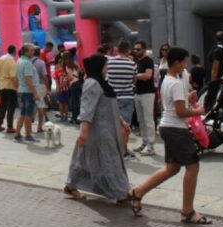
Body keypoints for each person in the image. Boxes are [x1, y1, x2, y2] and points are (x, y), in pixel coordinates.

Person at [129, 46, 211, 225]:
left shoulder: (168, 80)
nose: (185, 65)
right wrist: (199, 110)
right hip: (176, 129)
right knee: (193, 166)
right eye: (183, 62)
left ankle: (138, 191)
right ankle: (187, 211)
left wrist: (187, 99)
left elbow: (174, 106)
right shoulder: (175, 82)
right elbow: (181, 112)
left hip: (168, 126)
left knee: (172, 168)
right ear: (176, 62)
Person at [64, 53, 130, 201]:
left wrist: (121, 121)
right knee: (108, 160)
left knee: (83, 158)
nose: (107, 68)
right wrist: (84, 132)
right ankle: (120, 193)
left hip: (108, 128)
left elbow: (108, 106)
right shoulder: (92, 83)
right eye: (105, 65)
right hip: (99, 130)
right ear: (98, 66)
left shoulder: (102, 82)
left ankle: (71, 185)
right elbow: (87, 108)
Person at [106, 40, 137, 159]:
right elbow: (134, 80)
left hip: (112, 97)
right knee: (125, 125)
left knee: (112, 124)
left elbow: (106, 77)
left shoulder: (109, 62)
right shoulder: (132, 64)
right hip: (127, 96)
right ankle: (123, 150)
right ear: (128, 51)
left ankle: (113, 149)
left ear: (117, 50)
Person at [132, 41, 156, 156]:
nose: (136, 51)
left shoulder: (148, 61)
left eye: (138, 49)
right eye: (135, 49)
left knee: (148, 119)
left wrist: (135, 76)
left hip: (147, 93)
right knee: (141, 120)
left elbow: (148, 75)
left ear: (144, 49)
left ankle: (151, 145)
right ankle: (144, 142)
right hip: (138, 92)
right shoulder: (136, 62)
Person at [14, 44, 40, 142]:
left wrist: (17, 88)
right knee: (29, 114)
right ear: (26, 52)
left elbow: (16, 77)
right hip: (28, 91)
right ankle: (28, 135)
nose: (33, 52)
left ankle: (17, 133)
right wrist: (35, 93)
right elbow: (28, 78)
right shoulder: (27, 62)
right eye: (31, 51)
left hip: (22, 90)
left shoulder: (19, 61)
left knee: (23, 113)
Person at [0, 45, 18, 132]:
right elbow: (13, 76)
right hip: (10, 86)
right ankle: (10, 126)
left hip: (2, 85)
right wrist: (17, 87)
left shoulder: (1, 59)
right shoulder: (12, 61)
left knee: (3, 107)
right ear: (14, 51)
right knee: (11, 107)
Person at [205, 31, 223, 111]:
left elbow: (215, 67)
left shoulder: (217, 50)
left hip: (218, 79)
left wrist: (213, 81)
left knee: (215, 99)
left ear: (215, 39)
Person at [33, 47, 49, 132]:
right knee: (40, 106)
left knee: (29, 105)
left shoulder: (27, 62)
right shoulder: (41, 63)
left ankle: (28, 127)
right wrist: (47, 87)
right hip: (39, 86)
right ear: (39, 53)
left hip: (28, 86)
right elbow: (45, 76)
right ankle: (39, 127)